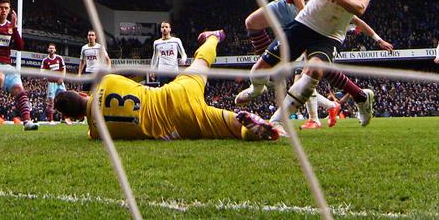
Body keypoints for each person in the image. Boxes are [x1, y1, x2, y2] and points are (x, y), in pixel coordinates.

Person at [236, 0, 378, 132]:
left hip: (330, 35)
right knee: (258, 71)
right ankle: (362, 97)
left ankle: (277, 121)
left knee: (314, 71)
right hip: (304, 23)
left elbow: (361, 7)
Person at [55, 30, 278, 142]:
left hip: (178, 125)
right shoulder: (108, 81)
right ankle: (214, 37)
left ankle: (250, 129)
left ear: (73, 118)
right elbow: (135, 84)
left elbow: (91, 126)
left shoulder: (96, 133)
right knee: (201, 63)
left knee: (229, 128)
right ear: (80, 92)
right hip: (173, 93)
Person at [300, 17, 394, 129]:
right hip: (314, 37)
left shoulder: (337, 5)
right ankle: (358, 97)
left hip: (330, 39)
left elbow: (357, 20)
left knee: (310, 75)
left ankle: (311, 119)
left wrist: (379, 40)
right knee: (306, 81)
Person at [0, 0, 38, 131]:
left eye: (6, 8)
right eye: (1, 8)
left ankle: (27, 121)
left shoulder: (10, 26)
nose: (4, 11)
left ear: (10, 10)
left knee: (18, 88)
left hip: (6, 65)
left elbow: (20, 47)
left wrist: (15, 28)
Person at [150, 21, 187, 85]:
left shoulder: (176, 41)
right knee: (163, 92)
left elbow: (183, 53)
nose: (164, 28)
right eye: (162, 27)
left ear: (170, 29)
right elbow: (155, 57)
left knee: (174, 91)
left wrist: (183, 59)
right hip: (162, 71)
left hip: (174, 71)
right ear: (160, 29)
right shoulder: (156, 43)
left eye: (166, 27)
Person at [40, 43, 67, 123]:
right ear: (48, 50)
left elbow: (63, 68)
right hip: (51, 83)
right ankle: (51, 120)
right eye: (50, 48)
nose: (51, 49)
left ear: (55, 50)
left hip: (60, 82)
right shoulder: (45, 60)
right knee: (51, 101)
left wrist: (62, 78)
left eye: (53, 48)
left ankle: (63, 118)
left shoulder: (59, 58)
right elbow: (42, 70)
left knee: (64, 99)